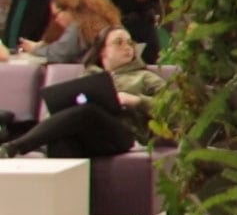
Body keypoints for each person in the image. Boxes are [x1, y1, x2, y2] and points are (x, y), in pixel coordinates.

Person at [0, 26, 165, 159]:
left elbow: (173, 109)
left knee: (88, 111)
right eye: (119, 42)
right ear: (103, 51)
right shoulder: (90, 75)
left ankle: (13, 147)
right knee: (62, 141)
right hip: (91, 136)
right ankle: (65, 199)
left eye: (130, 43)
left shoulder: (145, 77)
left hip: (126, 134)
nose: (127, 47)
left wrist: (135, 100)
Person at [17, 0, 123, 64]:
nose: (56, 20)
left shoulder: (79, 26)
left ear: (69, 10)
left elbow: (60, 54)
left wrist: (35, 48)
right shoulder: (100, 20)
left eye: (56, 15)